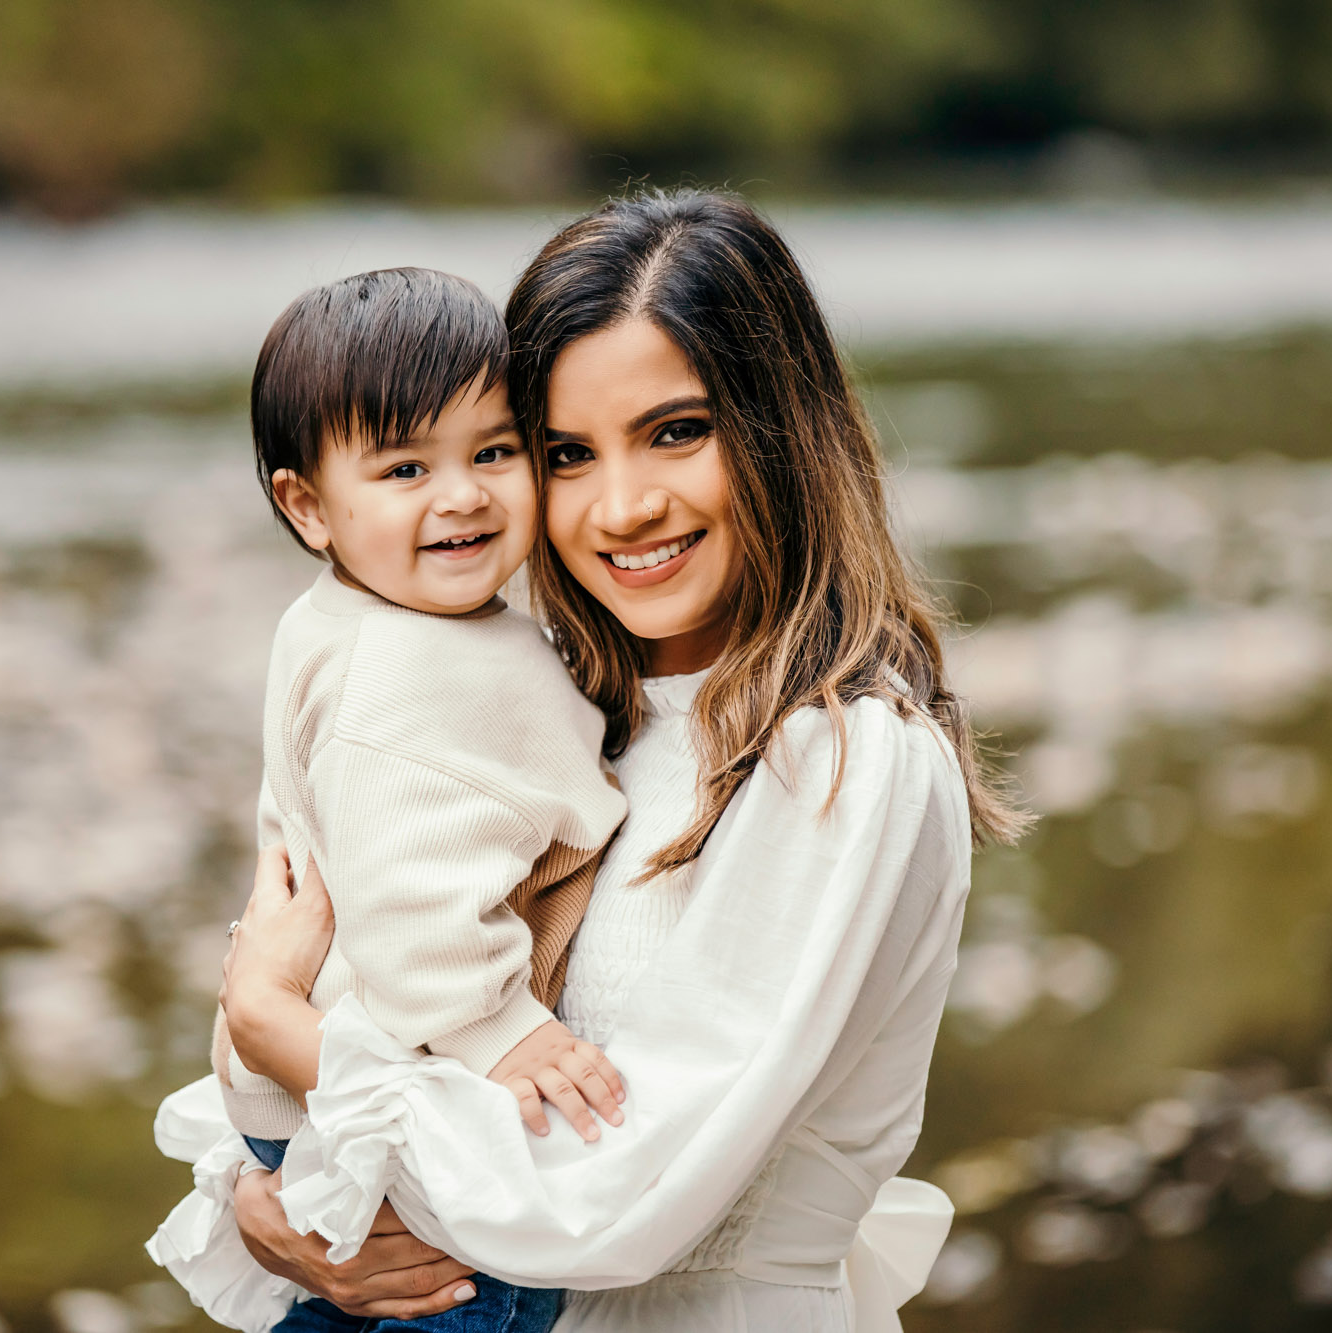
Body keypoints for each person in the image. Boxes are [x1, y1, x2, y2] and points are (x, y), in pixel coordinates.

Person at [161, 189, 1025, 1332]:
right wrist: (258, 1195)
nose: (622, 507)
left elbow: (610, 1204)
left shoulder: (842, 760)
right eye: (567, 452)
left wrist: (291, 1040)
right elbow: (371, 975)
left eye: (676, 431)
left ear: (779, 428)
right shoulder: (564, 711)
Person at [178, 266, 632, 1333]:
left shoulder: (341, 619)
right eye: (403, 468)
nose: (462, 494)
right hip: (394, 1087)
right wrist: (502, 1033)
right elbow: (408, 897)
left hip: (308, 1094)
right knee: (469, 1296)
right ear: (307, 505)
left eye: (492, 451)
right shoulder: (412, 671)